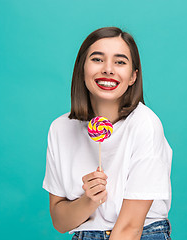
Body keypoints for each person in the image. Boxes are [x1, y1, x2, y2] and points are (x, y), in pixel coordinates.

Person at [43, 27, 172, 240]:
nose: (108, 69)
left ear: (132, 77)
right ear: (81, 69)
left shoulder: (145, 124)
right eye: (97, 59)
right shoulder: (60, 128)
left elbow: (130, 227)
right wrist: (89, 200)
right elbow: (60, 221)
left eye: (120, 62)